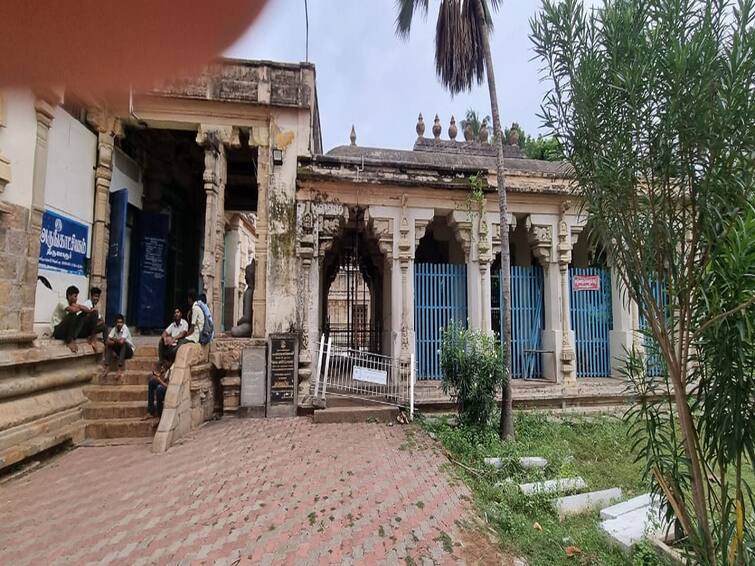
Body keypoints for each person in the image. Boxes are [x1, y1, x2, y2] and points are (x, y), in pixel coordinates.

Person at [51, 285, 89, 352]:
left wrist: (79, 306)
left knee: (84, 315)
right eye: (75, 296)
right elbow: (72, 310)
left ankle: (73, 338)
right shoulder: (62, 302)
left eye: (77, 296)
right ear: (69, 296)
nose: (76, 299)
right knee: (73, 314)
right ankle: (69, 341)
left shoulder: (73, 304)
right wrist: (78, 307)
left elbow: (87, 310)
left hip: (66, 331)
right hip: (58, 331)